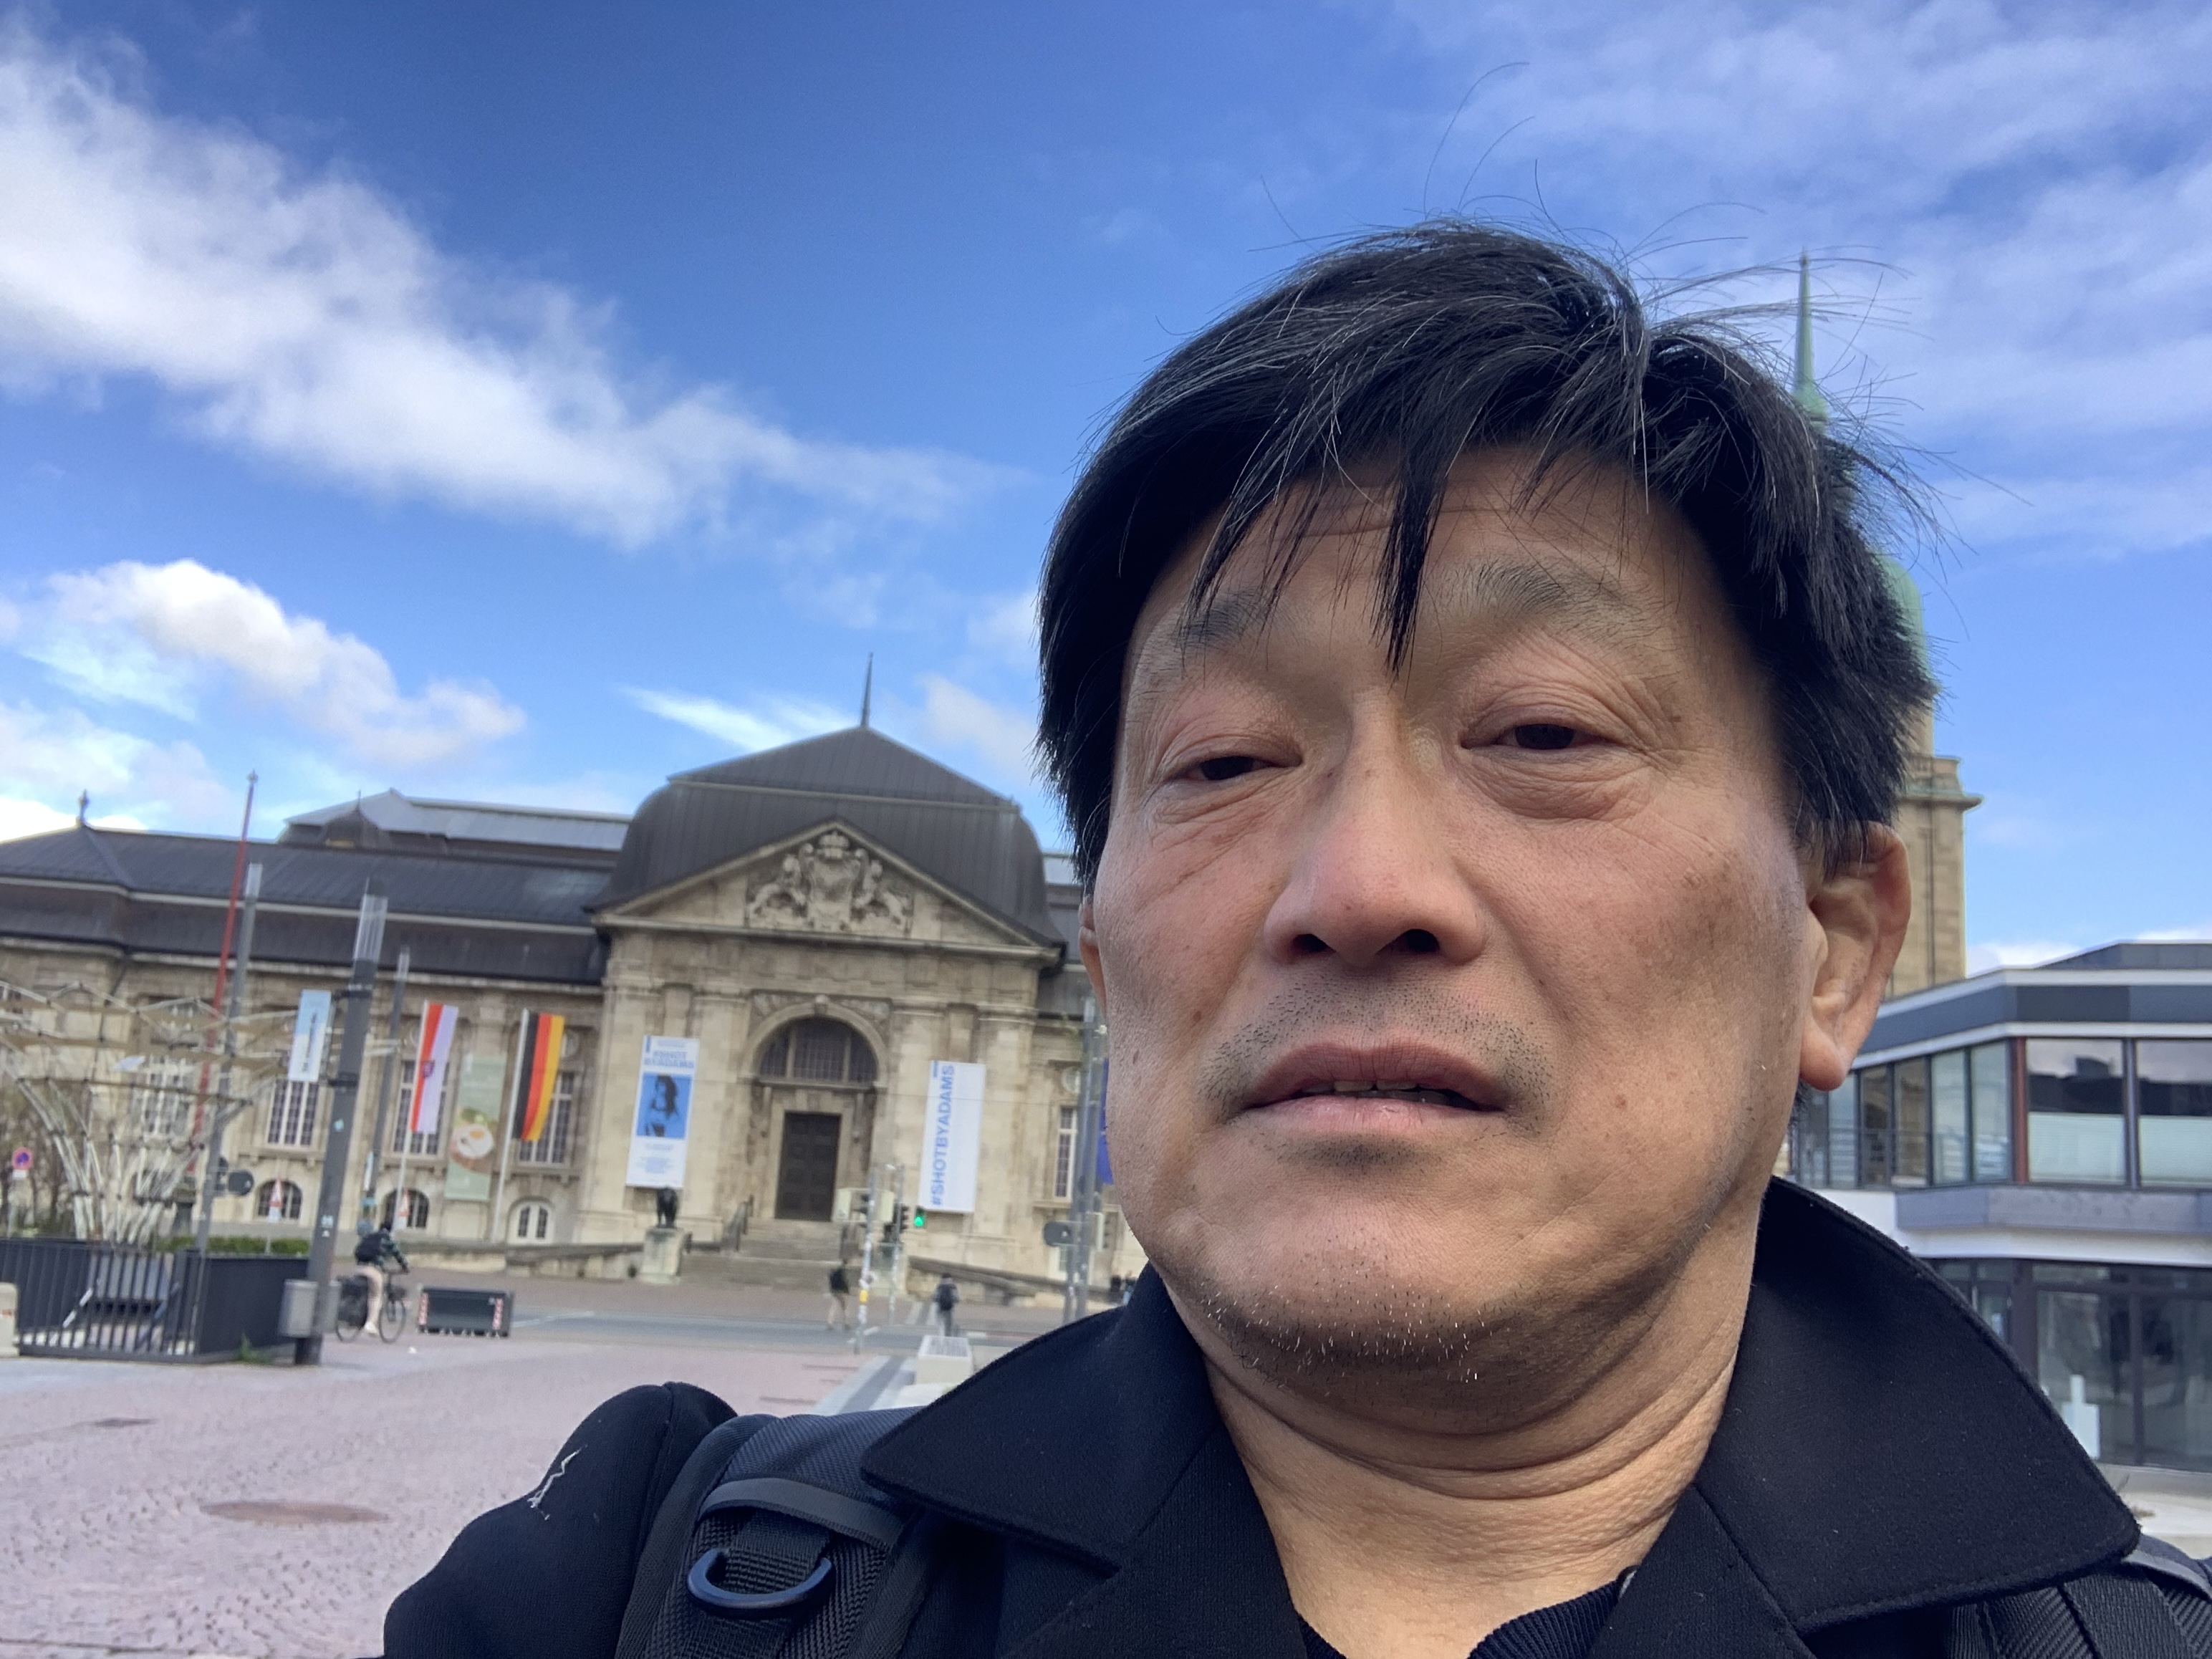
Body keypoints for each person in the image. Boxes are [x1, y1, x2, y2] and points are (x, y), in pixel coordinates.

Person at [383, 223, 2181, 1658]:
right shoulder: (639, 1593)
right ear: (1102, 963)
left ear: (1836, 944)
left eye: (1541, 728)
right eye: (1225, 759)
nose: (1358, 880)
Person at [352, 1222, 408, 1318]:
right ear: (390, 1230)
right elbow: (398, 1254)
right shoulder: (387, 1239)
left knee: (364, 1291)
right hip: (373, 1270)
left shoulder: (369, 1236)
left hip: (358, 1268)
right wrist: (405, 1267)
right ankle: (371, 1322)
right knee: (376, 1296)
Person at [930, 1274, 958, 1339]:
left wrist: (937, 1300)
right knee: (949, 1325)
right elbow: (956, 1298)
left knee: (939, 1324)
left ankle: (940, 1337)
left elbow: (935, 1297)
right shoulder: (953, 1286)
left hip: (940, 1308)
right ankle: (948, 1338)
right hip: (949, 1308)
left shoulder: (940, 1286)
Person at [826, 1261, 852, 1331]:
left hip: (835, 1292)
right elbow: (845, 1283)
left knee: (833, 1307)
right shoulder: (842, 1274)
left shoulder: (833, 1274)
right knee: (845, 1308)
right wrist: (847, 1292)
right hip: (843, 1292)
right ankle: (847, 1323)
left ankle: (830, 1322)